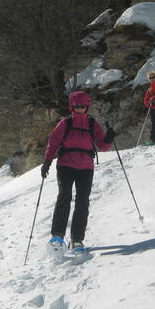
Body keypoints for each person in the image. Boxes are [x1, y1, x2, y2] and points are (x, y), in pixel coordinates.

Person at [41, 91, 115, 251]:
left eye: (82, 106)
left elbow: (103, 146)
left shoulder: (92, 124)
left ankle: (76, 239)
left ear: (87, 106)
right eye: (77, 106)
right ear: (72, 107)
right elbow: (53, 142)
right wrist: (47, 161)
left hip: (86, 167)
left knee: (82, 202)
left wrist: (109, 138)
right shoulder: (65, 123)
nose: (80, 109)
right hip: (65, 165)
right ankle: (57, 236)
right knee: (64, 197)